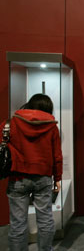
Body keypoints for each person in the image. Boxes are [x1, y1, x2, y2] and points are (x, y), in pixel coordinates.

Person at [0, 93, 62, 251]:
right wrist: (58, 178)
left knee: (17, 223)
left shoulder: (9, 124)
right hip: (43, 177)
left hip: (17, 177)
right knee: (45, 220)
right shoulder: (52, 127)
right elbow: (57, 156)